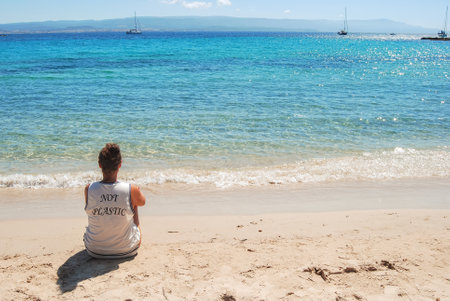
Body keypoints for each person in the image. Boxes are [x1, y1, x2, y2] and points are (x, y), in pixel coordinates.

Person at [83, 143, 146, 259]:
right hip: (127, 250)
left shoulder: (89, 188)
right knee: (134, 204)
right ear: (120, 164)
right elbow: (142, 202)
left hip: (94, 250)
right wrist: (134, 193)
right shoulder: (131, 189)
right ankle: (123, 239)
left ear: (99, 165)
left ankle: (102, 241)